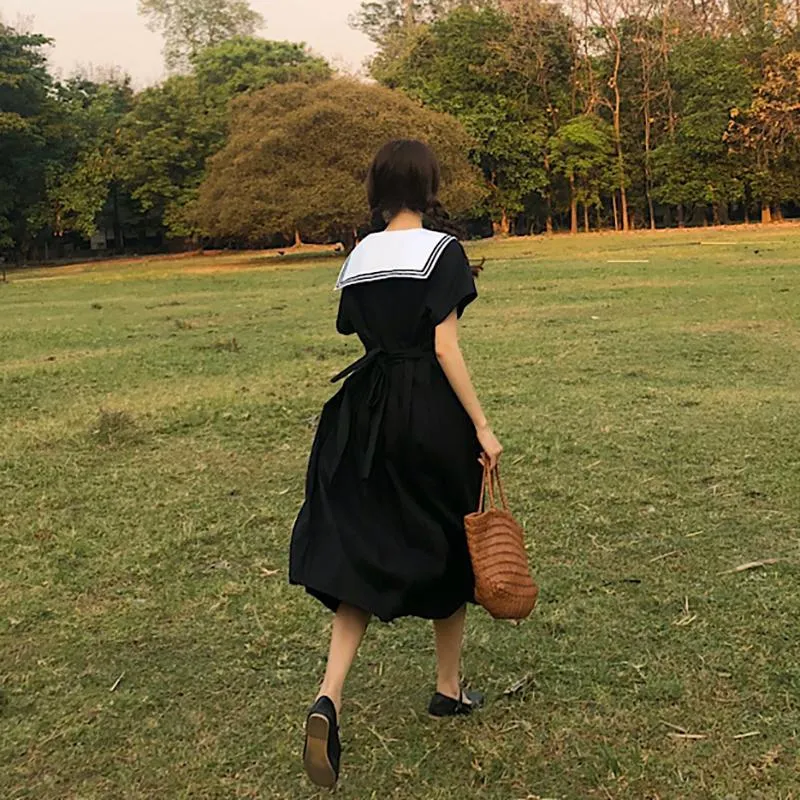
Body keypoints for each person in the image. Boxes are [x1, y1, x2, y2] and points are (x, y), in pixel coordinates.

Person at [289, 139, 503, 788]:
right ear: (429, 183)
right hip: (427, 411)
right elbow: (443, 346)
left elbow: (356, 332)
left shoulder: (358, 257)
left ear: (378, 186)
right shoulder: (443, 251)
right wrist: (484, 426)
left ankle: (329, 694)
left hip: (362, 413)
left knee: (360, 546)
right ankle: (447, 688)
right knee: (449, 536)